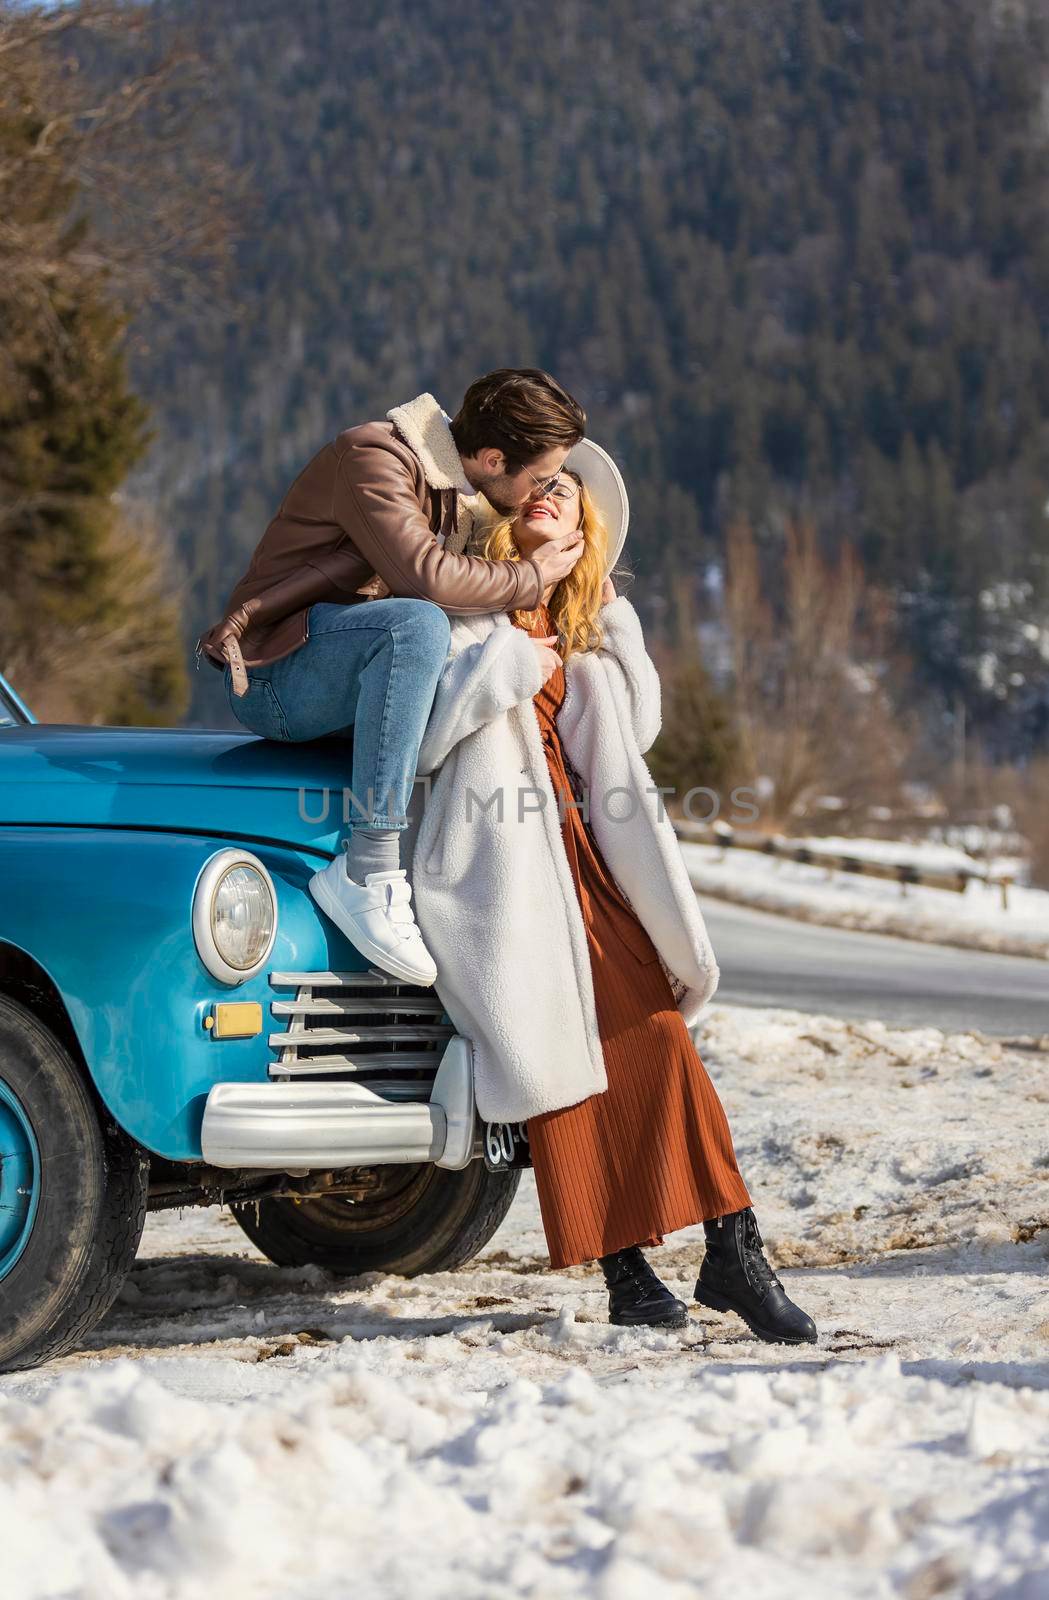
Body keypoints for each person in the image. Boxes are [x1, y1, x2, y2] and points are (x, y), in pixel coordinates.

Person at [408, 446, 818, 1344]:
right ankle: (628, 1274)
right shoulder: (462, 611)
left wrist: (603, 619)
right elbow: (426, 733)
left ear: (585, 529)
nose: (551, 495)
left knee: (656, 1040)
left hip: (591, 870)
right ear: (504, 505)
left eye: (569, 493)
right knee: (554, 1058)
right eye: (539, 485)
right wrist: (513, 653)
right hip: (508, 874)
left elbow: (638, 730)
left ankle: (731, 1247)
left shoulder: (590, 625)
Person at [196, 369, 587, 986]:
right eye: (540, 478)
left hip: (353, 681)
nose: (547, 487)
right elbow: (426, 578)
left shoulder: (463, 501)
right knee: (417, 624)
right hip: (277, 677)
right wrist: (532, 576)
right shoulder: (375, 456)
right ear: (492, 458)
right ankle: (367, 870)